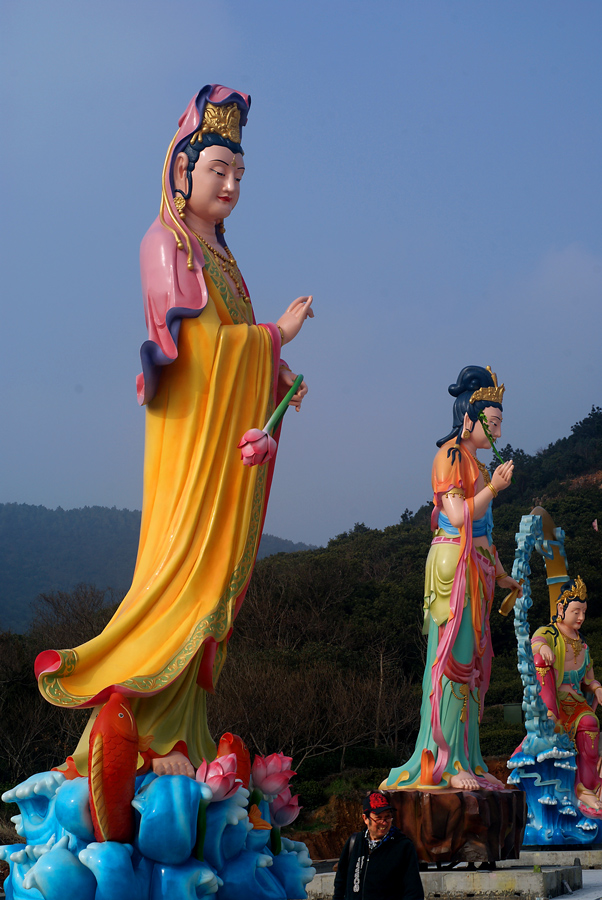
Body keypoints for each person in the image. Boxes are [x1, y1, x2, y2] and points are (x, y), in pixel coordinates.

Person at [35, 85, 313, 778]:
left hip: (221, 439)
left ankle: (179, 737)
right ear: (180, 173)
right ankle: (131, 737)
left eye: (240, 176)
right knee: (181, 570)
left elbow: (237, 346)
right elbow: (206, 351)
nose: (232, 186)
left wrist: (276, 375)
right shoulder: (164, 243)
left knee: (208, 587)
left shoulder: (223, 256)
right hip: (190, 444)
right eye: (219, 170)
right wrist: (274, 335)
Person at [383, 366, 522, 792]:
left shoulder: (474, 462)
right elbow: (460, 516)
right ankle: (444, 760)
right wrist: (495, 489)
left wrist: (500, 574)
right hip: (453, 566)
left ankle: (468, 757)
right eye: (492, 423)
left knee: (475, 668)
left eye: (500, 424)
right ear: (469, 419)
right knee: (453, 663)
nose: (498, 431)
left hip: (476, 565)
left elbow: (483, 532)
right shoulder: (449, 456)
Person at [532, 576, 602, 816]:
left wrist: (597, 688)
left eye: (583, 611)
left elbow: (589, 679)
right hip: (556, 703)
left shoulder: (583, 645)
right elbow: (536, 641)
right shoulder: (550, 634)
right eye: (576, 611)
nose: (581, 618)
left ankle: (586, 789)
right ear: (561, 608)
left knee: (591, 724)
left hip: (578, 704)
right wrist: (542, 648)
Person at [333, 791, 424, 900]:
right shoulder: (354, 842)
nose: (384, 822)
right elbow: (340, 881)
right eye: (378, 818)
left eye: (387, 817)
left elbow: (414, 891)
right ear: (365, 818)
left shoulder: (403, 846)